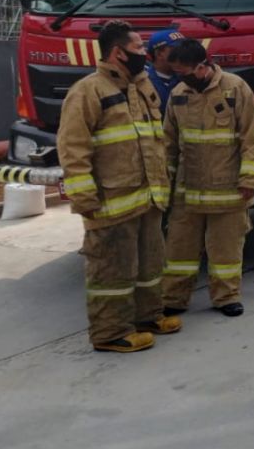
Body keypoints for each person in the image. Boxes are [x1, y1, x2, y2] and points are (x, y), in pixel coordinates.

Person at [56, 20, 179, 353]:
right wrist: (84, 197)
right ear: (118, 53)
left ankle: (147, 316)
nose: (145, 53)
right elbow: (73, 147)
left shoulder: (141, 87)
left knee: (150, 264)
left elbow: (153, 141)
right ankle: (110, 333)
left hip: (147, 198)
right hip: (111, 203)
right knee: (112, 271)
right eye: (139, 48)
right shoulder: (88, 91)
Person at [161, 40, 254, 318]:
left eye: (185, 71)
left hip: (229, 189)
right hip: (188, 191)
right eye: (177, 73)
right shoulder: (178, 94)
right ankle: (174, 298)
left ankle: (226, 297)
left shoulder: (235, 88)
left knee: (226, 250)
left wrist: (249, 179)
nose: (181, 77)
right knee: (179, 250)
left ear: (203, 66)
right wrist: (164, 186)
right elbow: (168, 143)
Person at [146, 30, 186, 116]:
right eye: (177, 50)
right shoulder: (144, 82)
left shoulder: (188, 78)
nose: (183, 53)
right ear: (159, 54)